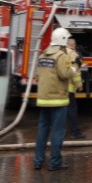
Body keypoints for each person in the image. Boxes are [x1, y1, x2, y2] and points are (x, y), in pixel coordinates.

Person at [34, 27, 76, 170]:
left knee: (42, 130)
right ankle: (54, 163)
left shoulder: (43, 55)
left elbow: (38, 75)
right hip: (58, 99)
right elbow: (64, 74)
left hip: (43, 99)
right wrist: (74, 69)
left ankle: (38, 161)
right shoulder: (62, 56)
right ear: (63, 39)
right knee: (57, 132)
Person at [65, 37, 86, 140]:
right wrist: (79, 85)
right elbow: (75, 72)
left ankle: (60, 132)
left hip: (59, 88)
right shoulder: (73, 54)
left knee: (61, 111)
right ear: (73, 44)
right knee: (72, 110)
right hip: (69, 89)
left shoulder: (60, 52)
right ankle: (76, 133)